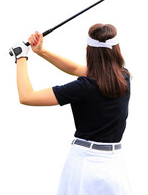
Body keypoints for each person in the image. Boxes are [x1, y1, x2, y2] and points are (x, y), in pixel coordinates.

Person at [11, 23, 132, 194]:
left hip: (83, 165)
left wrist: (20, 57)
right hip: (114, 166)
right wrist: (41, 51)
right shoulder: (124, 76)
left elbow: (27, 96)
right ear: (117, 50)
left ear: (87, 50)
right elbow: (75, 69)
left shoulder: (83, 87)